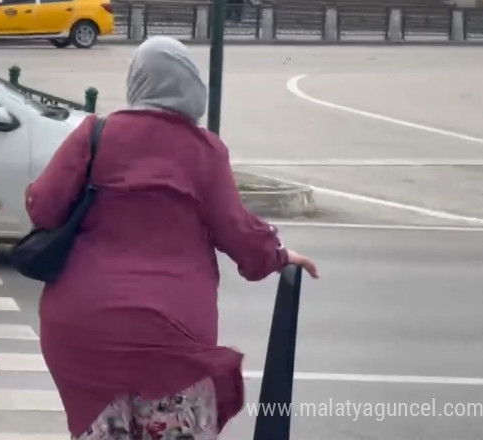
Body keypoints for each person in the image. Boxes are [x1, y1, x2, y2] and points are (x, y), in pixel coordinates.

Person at [26, 36, 319, 440]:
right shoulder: (203, 151)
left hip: (83, 332)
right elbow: (239, 234)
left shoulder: (95, 133)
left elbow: (43, 208)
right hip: (169, 336)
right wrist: (278, 254)